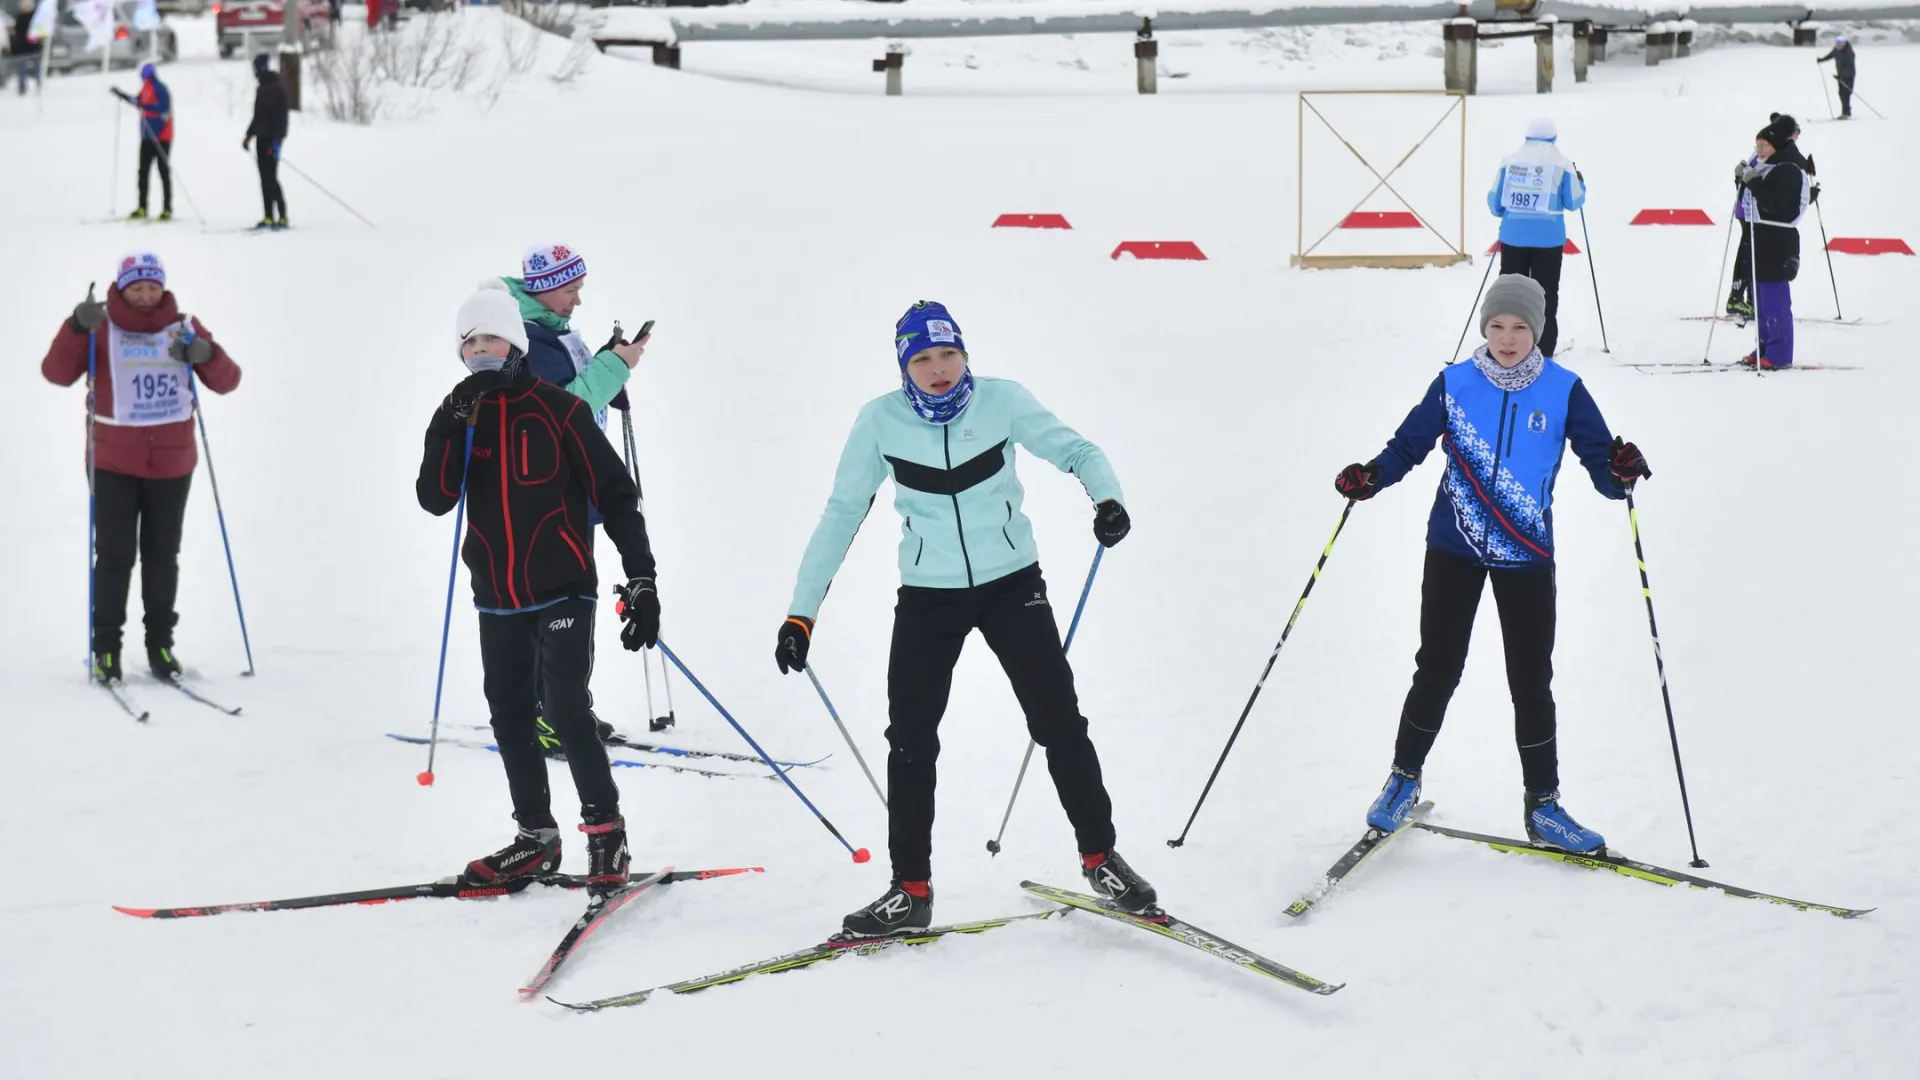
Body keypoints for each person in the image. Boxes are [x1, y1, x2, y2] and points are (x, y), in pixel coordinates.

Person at [776, 300, 1155, 938]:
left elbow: (1078, 450)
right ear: (905, 366)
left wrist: (1108, 498)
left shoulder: (1002, 402)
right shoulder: (879, 422)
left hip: (1013, 585)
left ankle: (1101, 857)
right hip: (930, 596)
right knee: (910, 740)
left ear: (965, 354)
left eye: (947, 353)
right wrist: (801, 613)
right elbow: (842, 512)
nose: (938, 369)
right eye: (921, 358)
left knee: (1058, 719)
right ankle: (910, 889)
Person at [1334, 275, 1650, 855]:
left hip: (1525, 555)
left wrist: (1622, 470)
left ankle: (1544, 805)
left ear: (1539, 331)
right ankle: (1403, 779)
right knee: (1437, 668)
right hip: (1452, 547)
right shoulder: (1455, 383)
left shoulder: (1564, 390)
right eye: (1497, 326)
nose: (1507, 339)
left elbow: (1604, 470)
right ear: (1485, 328)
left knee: (1531, 682)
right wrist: (1372, 476)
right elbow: (1409, 445)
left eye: (1521, 328)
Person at [415, 283, 661, 893]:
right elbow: (435, 499)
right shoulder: (460, 414)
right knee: (510, 715)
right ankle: (535, 839)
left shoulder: (560, 410)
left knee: (568, 709)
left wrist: (642, 576)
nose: (480, 350)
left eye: (491, 337)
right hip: (496, 595)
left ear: (516, 341)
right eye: (469, 342)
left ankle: (606, 835)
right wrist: (447, 423)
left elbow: (617, 496)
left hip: (564, 589)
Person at [40, 253, 244, 684]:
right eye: (137, 287)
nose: (146, 295)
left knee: (162, 556)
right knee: (114, 555)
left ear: (163, 287)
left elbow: (227, 381)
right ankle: (106, 648)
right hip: (113, 460)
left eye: (153, 287)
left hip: (172, 461)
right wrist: (76, 326)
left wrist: (206, 353)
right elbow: (56, 373)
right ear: (121, 288)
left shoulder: (184, 326)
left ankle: (160, 645)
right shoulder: (100, 326)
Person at [502, 246, 647, 745]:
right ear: (542, 287)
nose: (577, 300)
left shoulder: (552, 333)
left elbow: (580, 393)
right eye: (570, 289)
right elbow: (563, 409)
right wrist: (615, 367)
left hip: (572, 485)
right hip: (550, 495)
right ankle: (553, 713)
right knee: (563, 601)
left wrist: (612, 374)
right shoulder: (529, 340)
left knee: (576, 599)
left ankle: (567, 708)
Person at [1487, 118, 1585, 360]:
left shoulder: (1509, 162)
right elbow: (1574, 201)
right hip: (1548, 240)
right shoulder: (1562, 164)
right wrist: (1580, 182)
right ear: (1553, 138)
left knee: (1509, 294)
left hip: (1513, 237)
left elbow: (1494, 203)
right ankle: (1544, 351)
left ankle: (1504, 348)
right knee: (1546, 295)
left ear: (1527, 137)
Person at [1733, 116, 1812, 370]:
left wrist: (1753, 180)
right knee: (1761, 300)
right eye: (1757, 145)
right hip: (1760, 236)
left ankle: (1779, 353)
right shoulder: (1766, 165)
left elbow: (1775, 204)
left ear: (1776, 144)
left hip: (1778, 240)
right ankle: (1765, 346)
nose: (1759, 150)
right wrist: (1742, 179)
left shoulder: (1787, 169)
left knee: (1775, 298)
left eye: (1764, 145)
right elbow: (1753, 197)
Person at [111, 64, 174, 222]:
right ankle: (142, 207)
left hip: (161, 137)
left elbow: (163, 108)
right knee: (143, 172)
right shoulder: (145, 88)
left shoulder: (160, 88)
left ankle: (167, 208)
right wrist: (122, 95)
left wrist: (145, 106)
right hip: (146, 137)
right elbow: (137, 101)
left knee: (163, 172)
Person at [241, 53, 289, 231]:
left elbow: (282, 118)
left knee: (271, 178)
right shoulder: (261, 89)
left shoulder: (277, 89)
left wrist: (277, 141)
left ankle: (282, 215)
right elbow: (258, 117)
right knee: (263, 179)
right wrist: (248, 136)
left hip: (272, 140)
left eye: (256, 68)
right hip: (261, 139)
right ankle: (269, 215)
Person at [1817, 37, 1856, 119]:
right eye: (1837, 44)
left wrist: (1841, 76)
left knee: (1846, 94)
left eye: (1840, 45)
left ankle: (1846, 113)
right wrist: (1821, 60)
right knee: (1841, 94)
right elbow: (1830, 55)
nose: (1838, 46)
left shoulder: (1849, 53)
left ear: (1844, 45)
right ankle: (1846, 111)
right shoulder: (1836, 50)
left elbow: (1848, 66)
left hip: (1848, 76)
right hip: (1841, 76)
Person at [10, 0, 42, 97]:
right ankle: (22, 87)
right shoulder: (20, 17)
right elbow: (17, 31)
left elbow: (39, 29)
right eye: (25, 6)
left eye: (28, 5)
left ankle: (38, 85)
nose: (26, 7)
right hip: (23, 47)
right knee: (22, 69)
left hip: (34, 47)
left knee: (36, 68)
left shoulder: (35, 17)